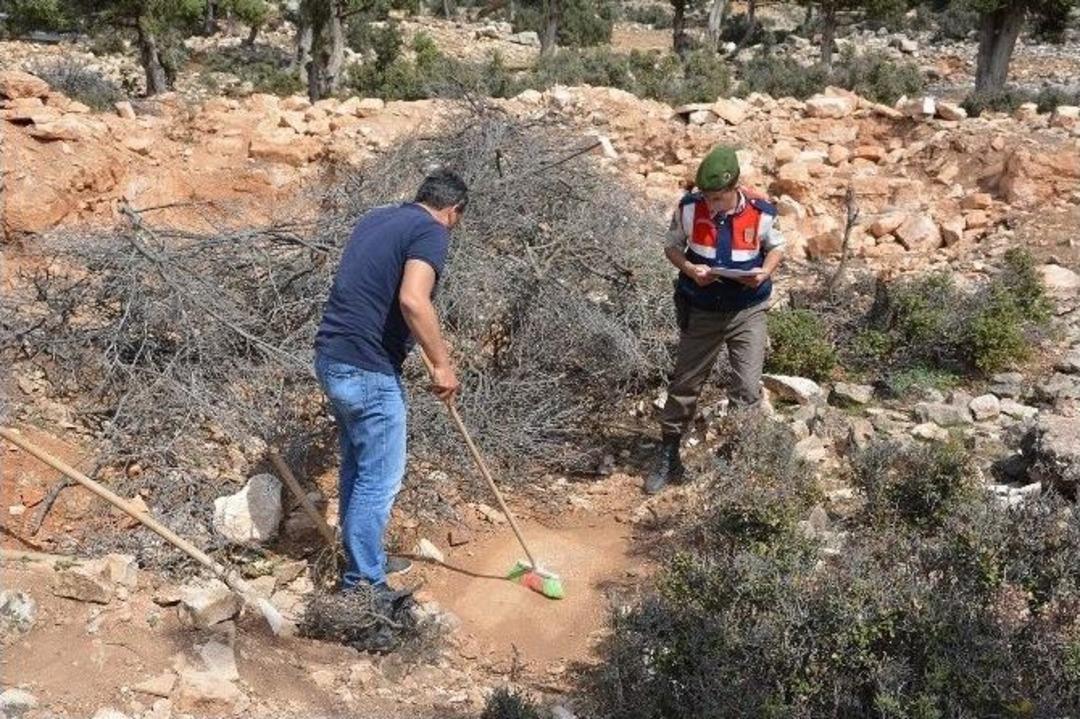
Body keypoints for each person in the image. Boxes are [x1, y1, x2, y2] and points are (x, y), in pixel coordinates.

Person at [313, 169, 467, 603]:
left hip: (332, 357)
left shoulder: (377, 218)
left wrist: (420, 347)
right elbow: (413, 299)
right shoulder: (432, 230)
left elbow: (374, 290)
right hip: (367, 370)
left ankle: (364, 560)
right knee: (378, 481)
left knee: (358, 469)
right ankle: (365, 586)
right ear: (453, 211)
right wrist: (442, 365)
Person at [646, 145, 786, 494]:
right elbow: (671, 247)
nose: (712, 205)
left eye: (719, 198)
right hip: (702, 308)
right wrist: (689, 268)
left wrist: (764, 273)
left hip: (747, 310)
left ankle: (740, 463)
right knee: (685, 384)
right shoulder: (689, 208)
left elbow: (776, 247)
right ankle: (668, 456)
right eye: (707, 197)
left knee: (747, 388)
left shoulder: (762, 212)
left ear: (735, 187)